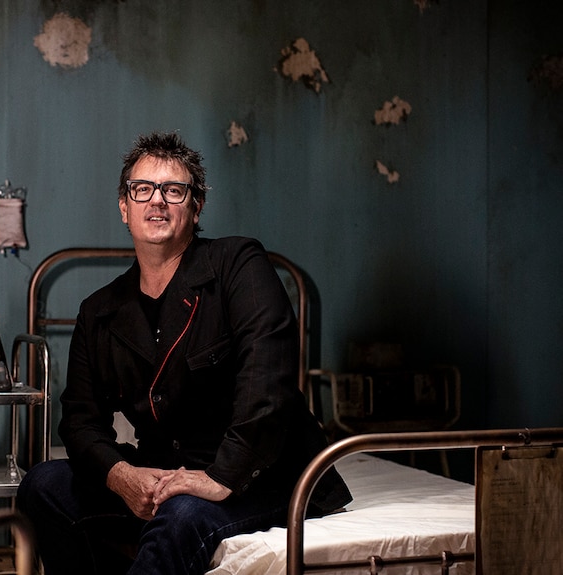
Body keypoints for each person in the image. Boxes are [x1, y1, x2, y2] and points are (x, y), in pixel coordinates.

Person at [17, 131, 351, 574]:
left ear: (196, 208)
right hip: (166, 472)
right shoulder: (99, 311)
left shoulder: (238, 264)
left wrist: (219, 478)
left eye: (174, 190)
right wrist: (123, 476)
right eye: (143, 190)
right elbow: (79, 420)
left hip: (260, 476)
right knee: (42, 485)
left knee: (183, 515)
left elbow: (267, 387)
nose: (157, 201)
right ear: (124, 207)